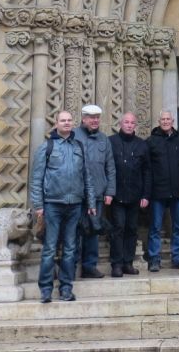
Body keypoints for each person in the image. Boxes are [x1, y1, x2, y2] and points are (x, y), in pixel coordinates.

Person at [29, 111, 96, 302]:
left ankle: (66, 288)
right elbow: (36, 178)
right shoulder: (47, 147)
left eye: (69, 120)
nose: (66, 123)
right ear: (56, 123)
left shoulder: (79, 146)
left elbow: (87, 177)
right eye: (62, 120)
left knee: (70, 249)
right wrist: (38, 205)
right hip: (52, 205)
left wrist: (91, 202)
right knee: (50, 248)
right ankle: (46, 289)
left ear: (73, 123)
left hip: (75, 205)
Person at [146, 110, 179, 271]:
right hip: (158, 191)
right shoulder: (151, 142)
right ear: (159, 121)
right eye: (163, 119)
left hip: (178, 191)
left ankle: (178, 258)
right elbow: (147, 168)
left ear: (173, 121)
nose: (165, 121)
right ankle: (154, 259)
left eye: (168, 119)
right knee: (155, 227)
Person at [74, 104, 115, 278]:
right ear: (83, 119)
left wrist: (110, 191)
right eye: (91, 117)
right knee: (74, 231)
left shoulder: (103, 139)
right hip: (76, 194)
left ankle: (89, 266)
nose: (95, 120)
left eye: (97, 117)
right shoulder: (73, 136)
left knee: (93, 230)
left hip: (97, 193)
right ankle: (72, 265)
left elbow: (110, 167)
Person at [107, 112, 150, 277]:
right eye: (126, 122)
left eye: (132, 123)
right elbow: (106, 168)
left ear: (135, 125)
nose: (129, 125)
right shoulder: (111, 142)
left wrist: (146, 195)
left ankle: (128, 263)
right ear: (120, 123)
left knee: (132, 229)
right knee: (118, 228)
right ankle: (116, 264)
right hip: (116, 195)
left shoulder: (141, 145)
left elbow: (147, 171)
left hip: (135, 195)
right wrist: (107, 192)